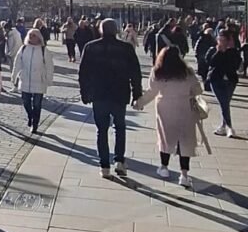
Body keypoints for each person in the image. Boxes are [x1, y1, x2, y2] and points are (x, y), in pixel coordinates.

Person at [78, 18, 143, 179]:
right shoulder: (126, 48)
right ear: (116, 30)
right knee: (120, 127)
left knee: (102, 130)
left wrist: (85, 93)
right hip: (119, 93)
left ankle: (104, 165)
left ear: (101, 30)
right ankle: (119, 160)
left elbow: (83, 73)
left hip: (99, 93)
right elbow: (135, 73)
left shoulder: (91, 47)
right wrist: (137, 93)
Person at [134, 46, 205, 189]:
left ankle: (164, 167)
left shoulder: (158, 72)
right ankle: (184, 175)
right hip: (184, 107)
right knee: (185, 140)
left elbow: (152, 91)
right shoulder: (187, 72)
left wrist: (139, 103)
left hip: (165, 107)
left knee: (165, 138)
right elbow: (198, 89)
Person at [12, 28, 54, 133]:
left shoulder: (44, 50)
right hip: (25, 79)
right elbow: (17, 63)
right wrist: (14, 75)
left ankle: (35, 124)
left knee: (37, 104)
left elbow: (49, 66)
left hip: (39, 81)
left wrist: (49, 79)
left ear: (39, 38)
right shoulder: (23, 49)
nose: (31, 37)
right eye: (30, 35)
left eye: (34, 35)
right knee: (26, 102)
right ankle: (30, 116)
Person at [204, 27, 239, 138]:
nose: (222, 42)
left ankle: (224, 127)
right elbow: (210, 62)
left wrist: (229, 52)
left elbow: (235, 66)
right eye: (220, 39)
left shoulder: (233, 51)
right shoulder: (213, 49)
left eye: (224, 40)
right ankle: (229, 127)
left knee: (225, 103)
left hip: (230, 80)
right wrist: (219, 52)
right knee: (223, 103)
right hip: (216, 80)